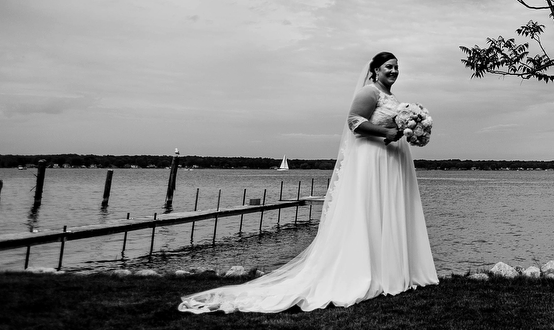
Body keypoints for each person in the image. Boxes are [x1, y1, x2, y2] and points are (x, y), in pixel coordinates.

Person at [178, 51, 438, 313]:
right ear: (375, 70)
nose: (393, 71)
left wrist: (412, 131)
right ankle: (364, 271)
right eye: (388, 67)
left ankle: (390, 270)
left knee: (388, 212)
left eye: (396, 67)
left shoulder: (394, 99)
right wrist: (387, 132)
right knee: (369, 213)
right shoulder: (369, 92)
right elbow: (354, 122)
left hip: (390, 160)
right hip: (373, 160)